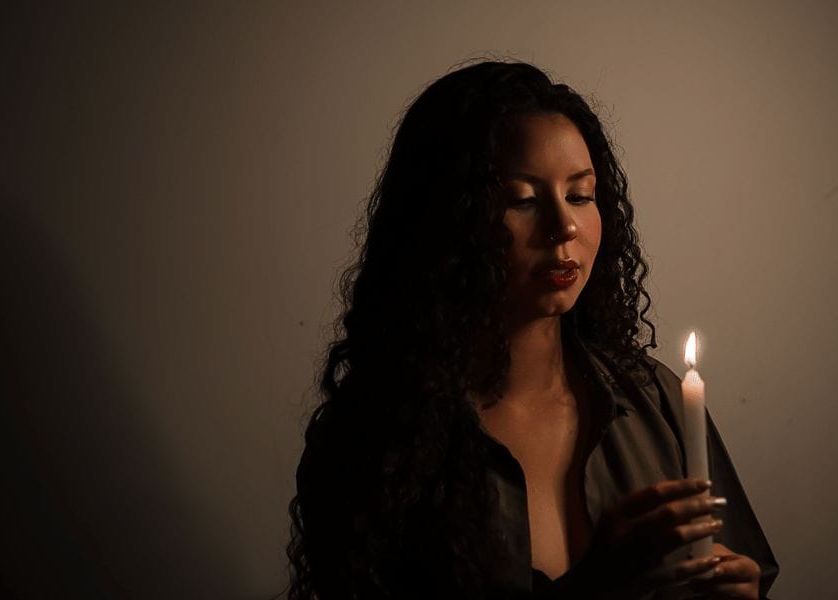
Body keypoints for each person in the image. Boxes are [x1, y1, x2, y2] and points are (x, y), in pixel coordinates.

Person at [286, 60, 778, 600]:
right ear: (449, 220)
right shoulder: (376, 438)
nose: (563, 226)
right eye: (522, 200)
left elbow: (742, 572)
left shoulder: (657, 400)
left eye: (581, 195)